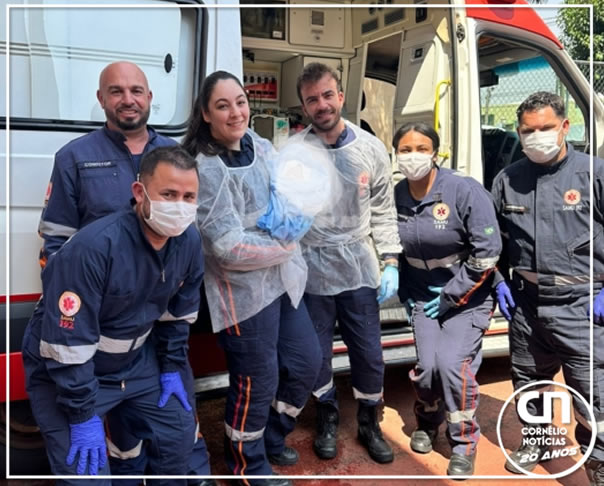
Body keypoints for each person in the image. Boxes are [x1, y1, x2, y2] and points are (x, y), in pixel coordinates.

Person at [35, 61, 213, 484]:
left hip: (143, 338)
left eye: (137, 90)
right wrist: (71, 302)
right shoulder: (75, 158)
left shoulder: (174, 156)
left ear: (150, 98)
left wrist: (168, 363)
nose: (128, 99)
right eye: (116, 91)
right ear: (102, 100)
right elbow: (55, 243)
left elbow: (179, 309)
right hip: (84, 322)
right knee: (87, 463)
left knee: (178, 430)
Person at [181, 70, 322, 486]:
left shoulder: (259, 146)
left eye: (240, 101)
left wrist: (299, 209)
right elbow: (226, 247)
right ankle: (246, 464)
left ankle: (271, 436)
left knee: (305, 363)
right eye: (222, 105)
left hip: (281, 283)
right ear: (206, 114)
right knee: (256, 380)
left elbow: (285, 192)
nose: (235, 112)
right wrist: (285, 244)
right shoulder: (205, 168)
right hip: (241, 294)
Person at [491, 91, 604, 484]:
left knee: (592, 389)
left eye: (545, 128)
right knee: (529, 379)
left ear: (565, 127)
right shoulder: (508, 179)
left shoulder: (595, 173)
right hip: (525, 302)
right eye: (528, 130)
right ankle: (537, 440)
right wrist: (498, 280)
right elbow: (493, 240)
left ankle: (598, 456)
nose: (536, 136)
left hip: (582, 302)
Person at [293, 62, 402, 464]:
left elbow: (384, 211)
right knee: (316, 352)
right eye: (311, 99)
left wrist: (390, 259)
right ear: (304, 106)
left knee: (369, 351)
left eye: (327, 95)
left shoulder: (370, 148)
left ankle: (370, 423)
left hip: (357, 265)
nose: (321, 105)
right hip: (312, 267)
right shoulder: (296, 152)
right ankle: (327, 417)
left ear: (340, 96)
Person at [392, 122, 501, 477]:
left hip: (466, 296)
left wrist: (455, 293)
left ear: (435, 153)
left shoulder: (462, 190)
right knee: (427, 369)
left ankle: (464, 443)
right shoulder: (396, 195)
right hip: (423, 297)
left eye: (421, 149)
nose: (413, 157)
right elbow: (395, 249)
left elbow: (487, 251)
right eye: (405, 150)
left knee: (453, 366)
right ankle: (427, 421)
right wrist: (404, 291)